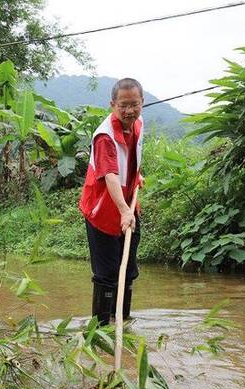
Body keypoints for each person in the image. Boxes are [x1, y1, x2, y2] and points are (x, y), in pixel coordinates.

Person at [79, 78, 144, 326]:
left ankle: (123, 323)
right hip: (103, 210)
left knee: (127, 271)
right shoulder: (104, 136)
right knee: (106, 274)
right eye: (123, 106)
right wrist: (124, 211)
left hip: (128, 206)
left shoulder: (138, 123)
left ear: (142, 103)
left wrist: (136, 175)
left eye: (134, 105)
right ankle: (101, 330)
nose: (129, 111)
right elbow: (110, 175)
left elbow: (128, 159)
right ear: (112, 104)